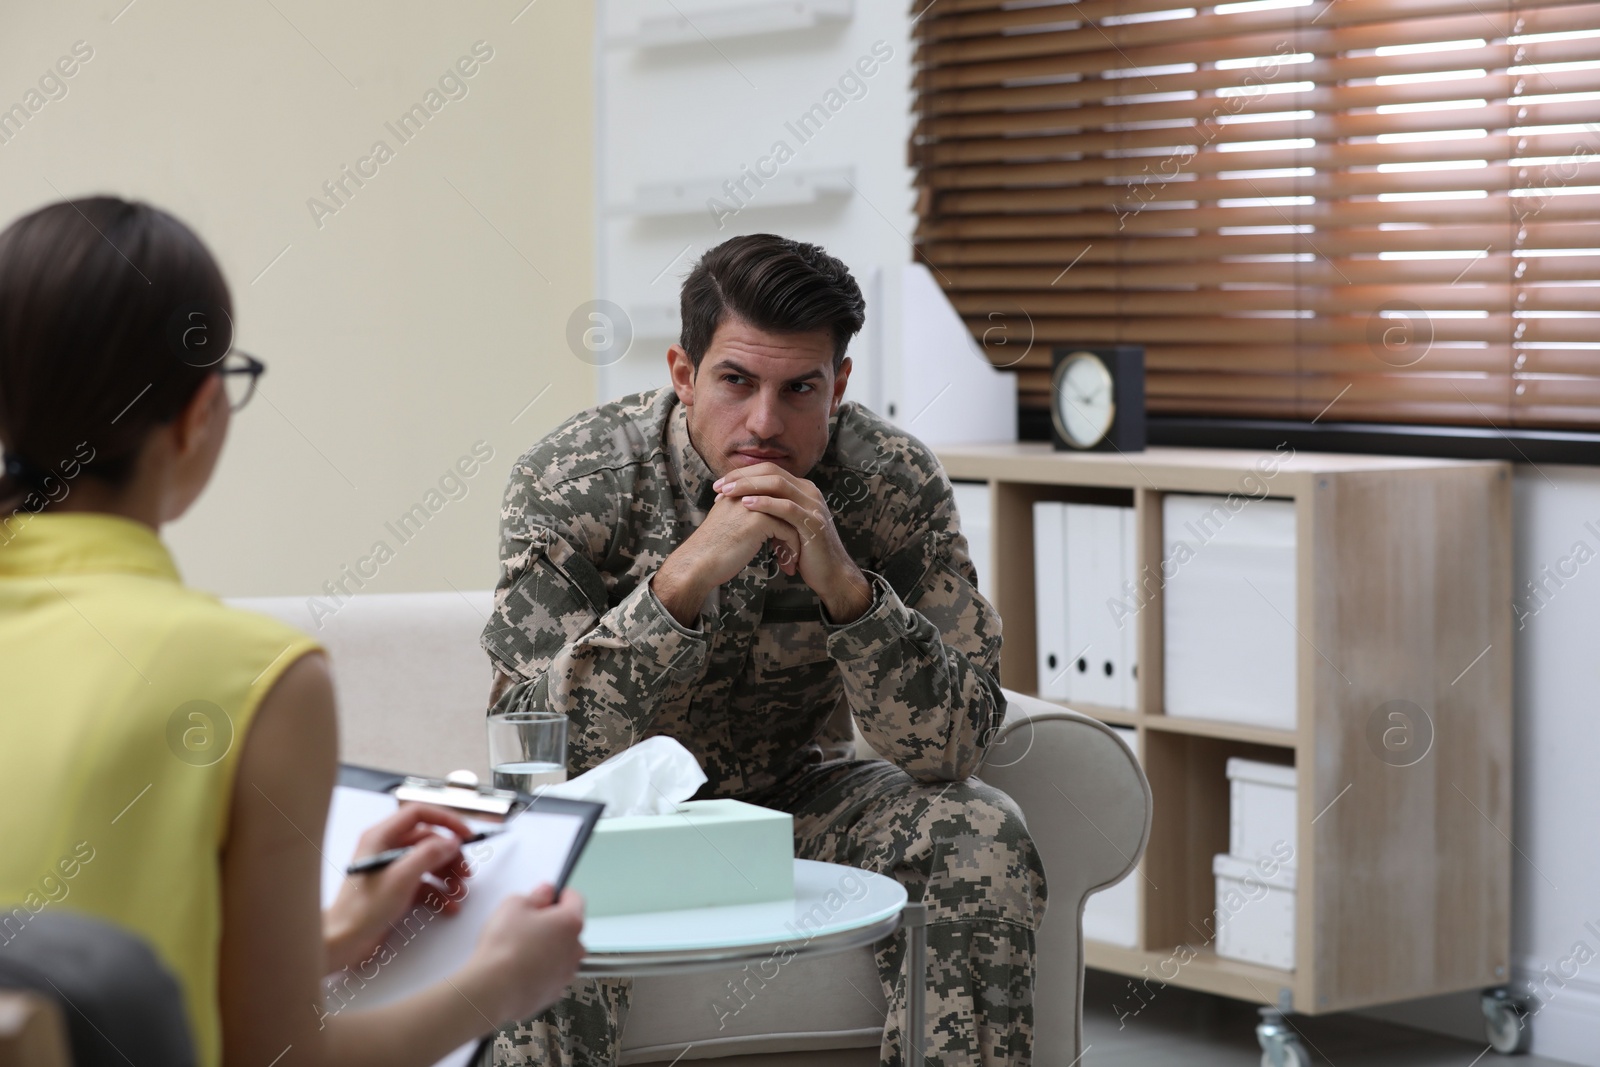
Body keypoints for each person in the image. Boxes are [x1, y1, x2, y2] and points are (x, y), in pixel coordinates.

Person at [0, 196, 586, 1067]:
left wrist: (334, 931)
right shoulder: (255, 679)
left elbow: (70, 961)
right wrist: (497, 985)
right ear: (201, 412)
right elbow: (275, 1059)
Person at [481, 234, 1047, 1066]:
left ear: (839, 385)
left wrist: (850, 594)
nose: (764, 425)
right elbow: (528, 750)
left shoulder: (890, 483)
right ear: (684, 373)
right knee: (538, 875)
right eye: (736, 382)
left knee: (980, 830)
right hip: (622, 821)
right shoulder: (574, 482)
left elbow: (959, 743)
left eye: (799, 389)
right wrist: (683, 579)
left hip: (796, 800)